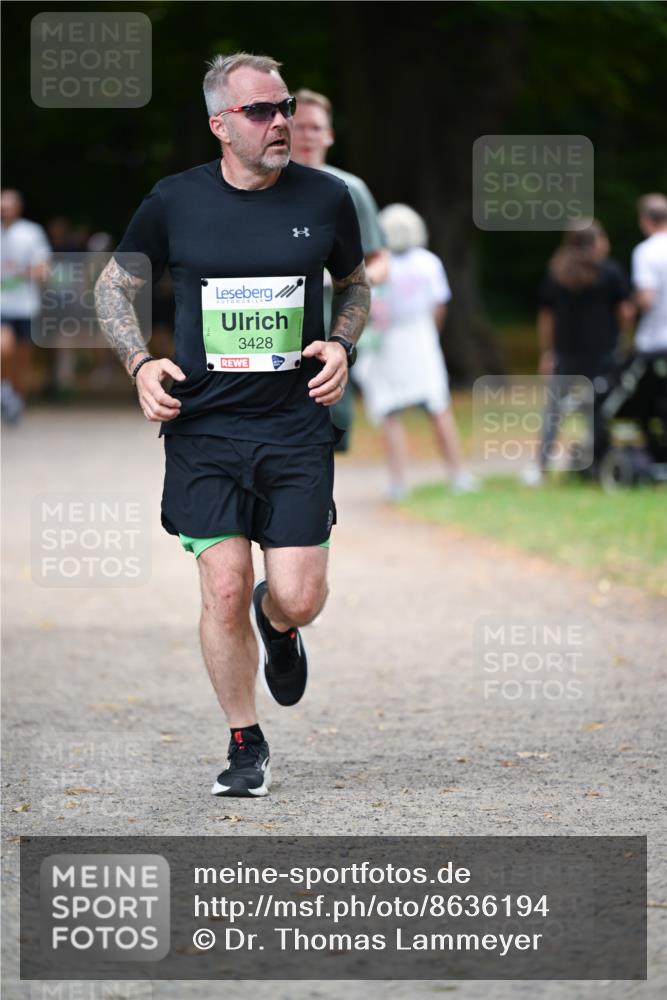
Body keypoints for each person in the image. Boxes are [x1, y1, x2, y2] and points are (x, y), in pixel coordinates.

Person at [94, 53, 369, 798]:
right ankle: (245, 742)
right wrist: (140, 366)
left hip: (294, 425)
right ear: (220, 125)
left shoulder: (326, 197)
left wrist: (341, 344)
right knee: (221, 585)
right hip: (204, 427)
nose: (279, 121)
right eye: (260, 111)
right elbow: (113, 290)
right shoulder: (173, 201)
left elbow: (353, 284)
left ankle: (277, 625)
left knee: (300, 594)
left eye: (283, 108)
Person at [354, 203, 477, 499]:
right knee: (438, 406)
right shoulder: (428, 262)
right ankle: (458, 474)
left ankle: (399, 482)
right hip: (421, 337)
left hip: (389, 340)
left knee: (390, 412)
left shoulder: (379, 265)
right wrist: (432, 334)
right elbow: (439, 305)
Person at [290, 88, 388, 451]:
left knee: (328, 432)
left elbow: (379, 260)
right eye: (299, 126)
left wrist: (345, 283)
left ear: (329, 135)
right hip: (273, 333)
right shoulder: (263, 185)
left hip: (330, 333)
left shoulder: (349, 189)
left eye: (315, 128)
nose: (306, 135)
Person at [524, 220, 634, 484]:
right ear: (596, 242)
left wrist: (548, 351)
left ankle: (540, 466)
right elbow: (625, 311)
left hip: (566, 354)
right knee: (599, 408)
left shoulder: (557, 273)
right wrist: (626, 339)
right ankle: (596, 462)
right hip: (603, 354)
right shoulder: (609, 272)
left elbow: (547, 316)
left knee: (554, 411)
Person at [1, 189, 51, 422]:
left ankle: (15, 398)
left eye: (9, 205)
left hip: (25, 305)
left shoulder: (31, 232)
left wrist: (21, 274)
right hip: (2, 306)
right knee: (4, 348)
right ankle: (5, 389)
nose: (5, 209)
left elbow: (44, 268)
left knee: (22, 358)